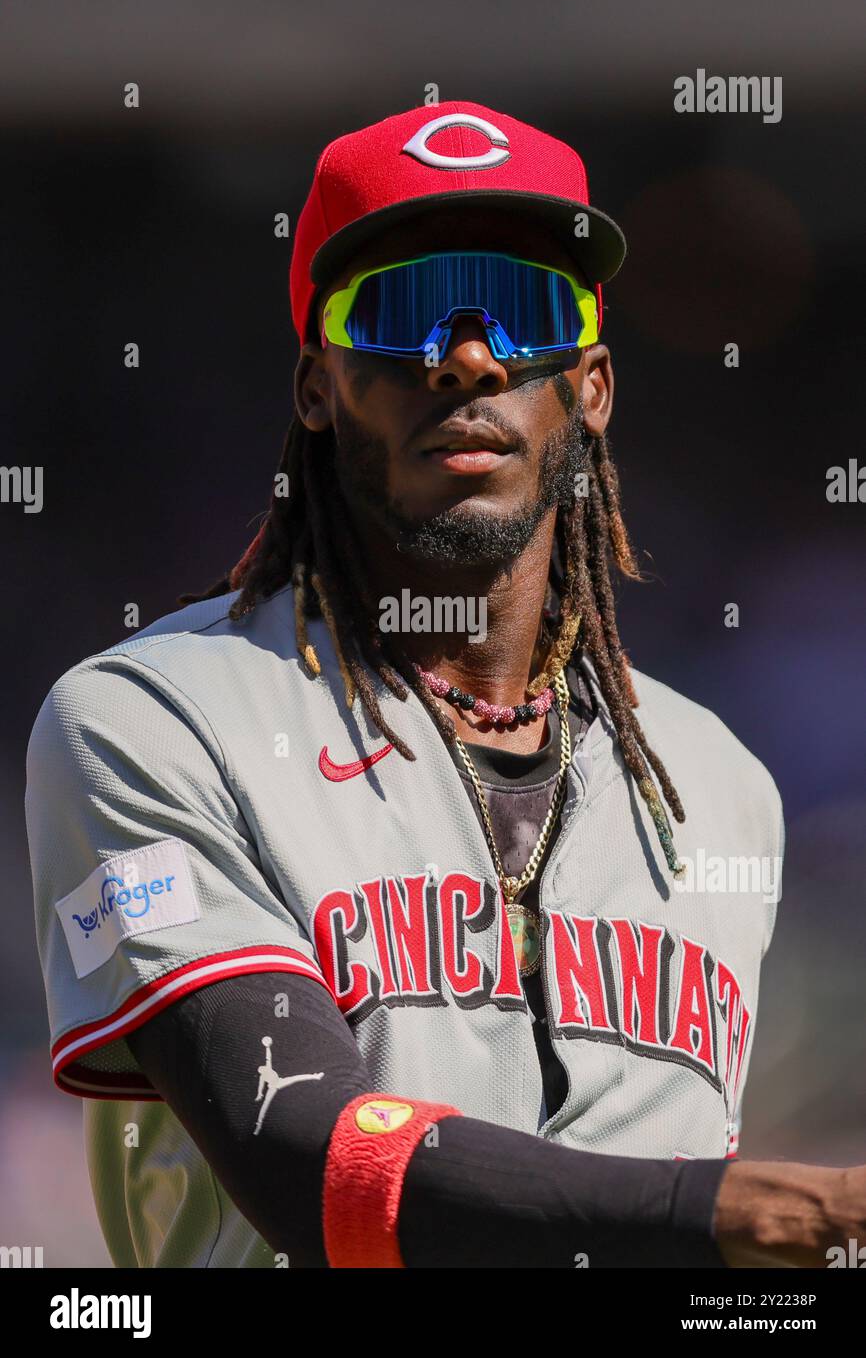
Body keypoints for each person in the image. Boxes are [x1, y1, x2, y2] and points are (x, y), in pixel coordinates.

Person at [26, 100, 862, 1269]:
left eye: (523, 310)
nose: (468, 356)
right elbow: (311, 1161)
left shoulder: (720, 788)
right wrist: (769, 1216)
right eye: (407, 307)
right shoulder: (154, 720)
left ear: (593, 386)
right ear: (317, 385)